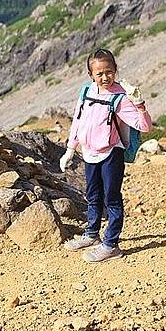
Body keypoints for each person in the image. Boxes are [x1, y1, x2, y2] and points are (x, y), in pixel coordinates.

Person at [60, 48, 151, 262]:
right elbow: (78, 120)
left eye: (109, 72)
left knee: (112, 198)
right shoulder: (86, 91)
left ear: (115, 70)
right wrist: (70, 149)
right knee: (92, 196)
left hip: (111, 154)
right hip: (89, 153)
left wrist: (139, 103)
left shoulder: (119, 98)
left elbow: (144, 126)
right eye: (99, 73)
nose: (104, 77)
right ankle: (92, 234)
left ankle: (111, 245)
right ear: (91, 75)